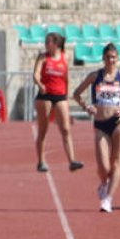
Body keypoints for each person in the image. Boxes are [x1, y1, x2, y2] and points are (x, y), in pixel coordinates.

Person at [71, 43, 120, 213]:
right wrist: (86, 106)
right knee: (103, 167)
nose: (111, 60)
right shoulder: (95, 77)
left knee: (116, 161)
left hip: (118, 123)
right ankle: (104, 183)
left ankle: (108, 198)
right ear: (103, 58)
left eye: (114, 58)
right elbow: (76, 93)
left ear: (118, 59)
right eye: (108, 57)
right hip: (100, 124)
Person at [33, 32, 84, 173]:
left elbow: (66, 77)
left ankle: (72, 161)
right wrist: (39, 84)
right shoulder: (43, 57)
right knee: (43, 130)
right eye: (45, 41)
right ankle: (41, 161)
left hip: (60, 95)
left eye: (48, 42)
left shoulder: (64, 57)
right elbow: (36, 73)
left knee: (66, 129)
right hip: (45, 96)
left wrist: (66, 95)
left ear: (56, 44)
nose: (46, 44)